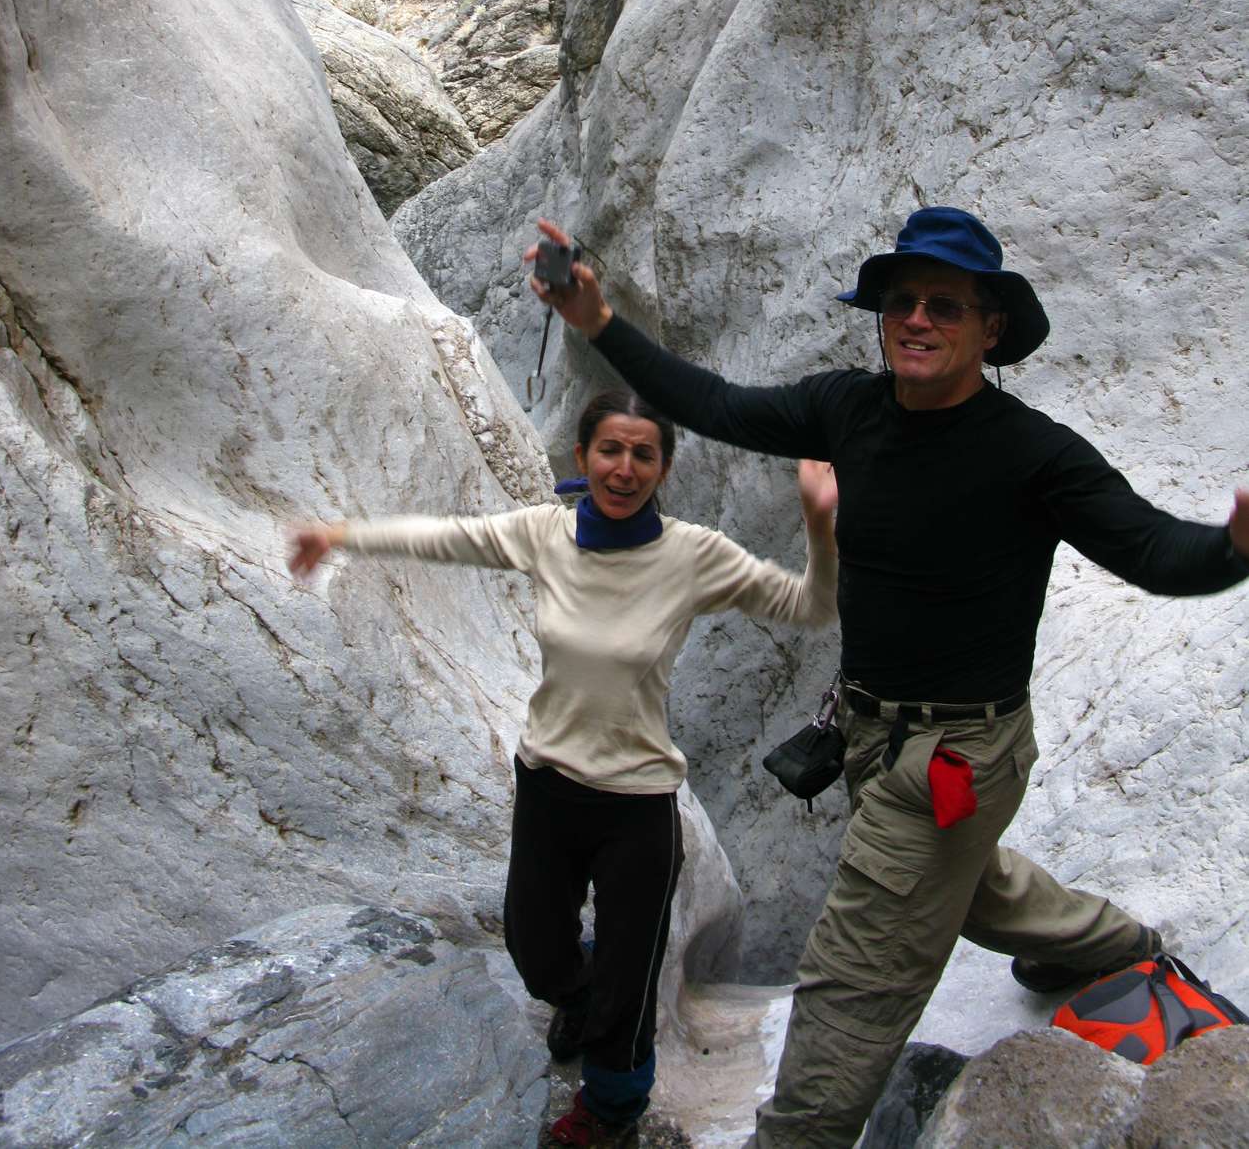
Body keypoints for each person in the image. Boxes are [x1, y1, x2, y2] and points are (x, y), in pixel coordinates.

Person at [527, 207, 1249, 1149]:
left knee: (855, 975)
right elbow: (717, 405)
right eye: (901, 301)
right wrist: (596, 320)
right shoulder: (848, 408)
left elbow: (1152, 549)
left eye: (945, 306)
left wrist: (1231, 546)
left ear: (990, 329)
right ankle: (1113, 946)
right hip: (872, 735)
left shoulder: (1034, 456)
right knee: (964, 885)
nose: (915, 319)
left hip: (957, 753)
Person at [288, 386, 840, 1149]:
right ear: (582, 456)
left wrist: (818, 523)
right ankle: (576, 997)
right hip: (548, 781)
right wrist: (340, 535)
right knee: (534, 947)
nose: (623, 468)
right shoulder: (545, 534)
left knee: (628, 976)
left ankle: (611, 1108)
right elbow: (447, 537)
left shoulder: (693, 555)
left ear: (663, 468)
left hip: (638, 800)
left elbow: (810, 607)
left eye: (642, 454)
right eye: (609, 449)